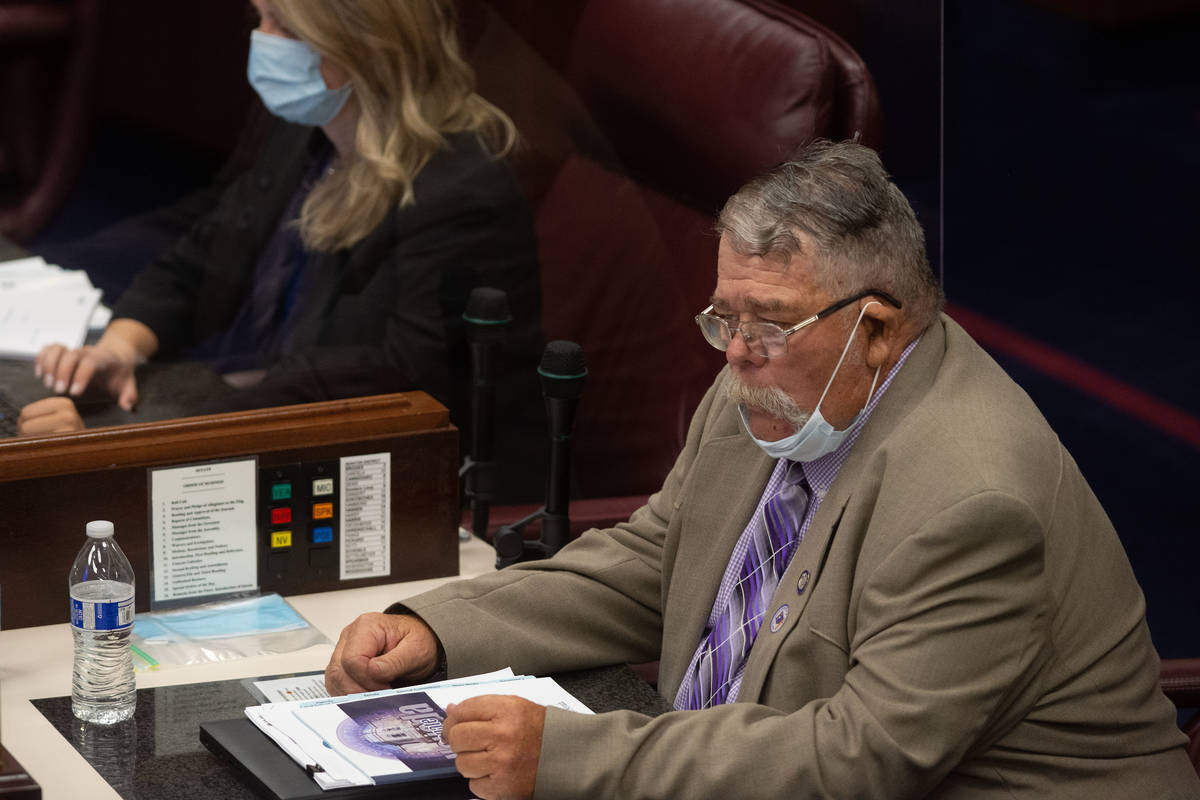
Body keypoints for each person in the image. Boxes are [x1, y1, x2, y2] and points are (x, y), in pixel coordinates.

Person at [325, 140, 1199, 799]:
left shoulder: (972, 503)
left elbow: (857, 758)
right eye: (723, 317)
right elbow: (652, 563)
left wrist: (570, 758)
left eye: (769, 324)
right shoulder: (773, 389)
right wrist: (438, 629)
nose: (737, 354)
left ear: (881, 329)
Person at [19, 0, 542, 469]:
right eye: (261, 16)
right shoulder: (311, 127)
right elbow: (208, 252)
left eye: (287, 28)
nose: (263, 40)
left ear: (367, 46)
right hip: (281, 418)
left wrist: (126, 444)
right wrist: (119, 348)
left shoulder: (461, 196)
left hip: (405, 482)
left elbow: (389, 385)